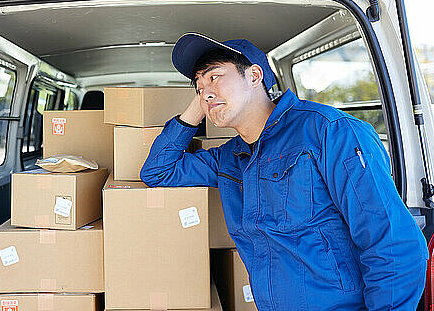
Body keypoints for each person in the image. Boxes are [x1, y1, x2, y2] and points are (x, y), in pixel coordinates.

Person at [140, 33, 428, 310]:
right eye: (199, 86)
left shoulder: (330, 132)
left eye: (215, 76)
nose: (205, 92)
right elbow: (158, 172)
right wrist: (203, 103)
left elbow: (393, 244)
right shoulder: (229, 159)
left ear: (254, 76)